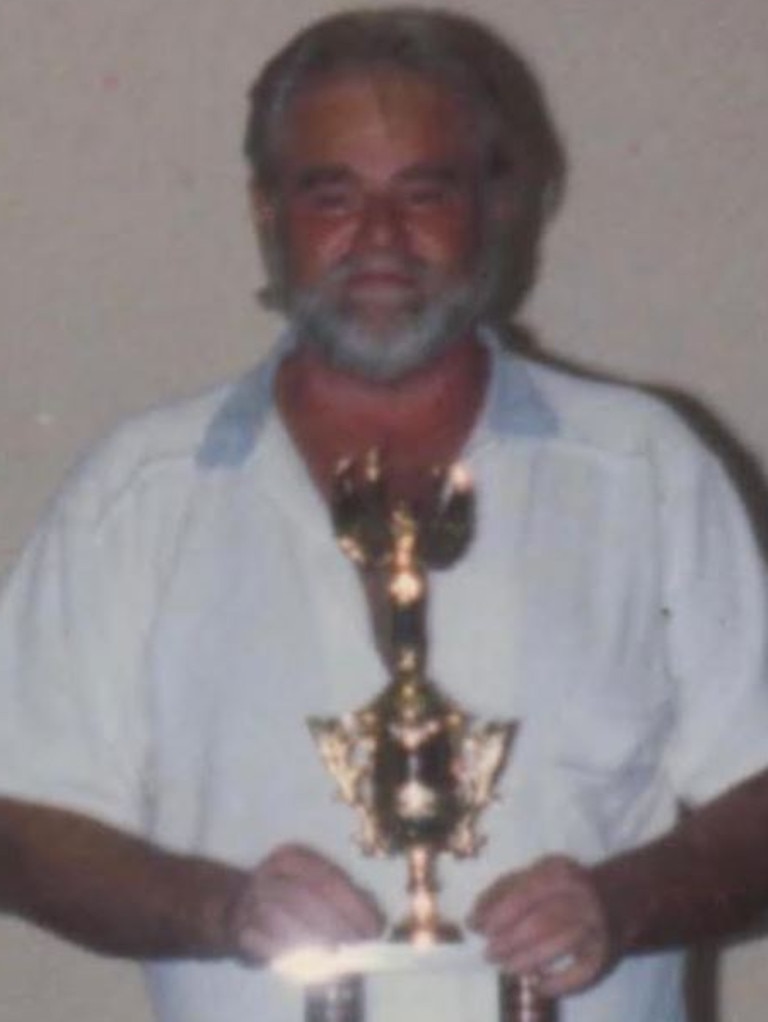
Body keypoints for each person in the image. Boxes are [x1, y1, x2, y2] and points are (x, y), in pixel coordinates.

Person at [1, 7, 768, 1022]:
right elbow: (19, 821)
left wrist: (619, 903)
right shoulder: (139, 494)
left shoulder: (644, 471)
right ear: (266, 211)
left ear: (495, 209)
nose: (378, 238)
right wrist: (218, 905)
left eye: (425, 192)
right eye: (332, 195)